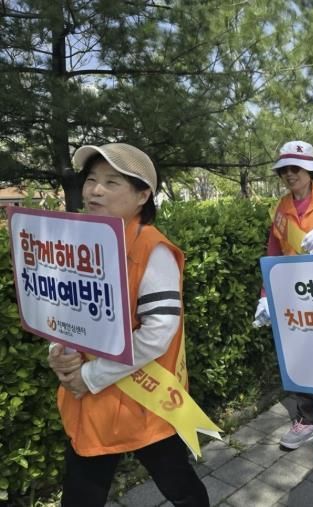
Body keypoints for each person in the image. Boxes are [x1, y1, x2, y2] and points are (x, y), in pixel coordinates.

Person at [47, 143, 209, 506]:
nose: (95, 190)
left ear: (142, 195)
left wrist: (91, 376)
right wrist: (59, 351)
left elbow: (158, 332)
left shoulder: (153, 249)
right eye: (91, 179)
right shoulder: (79, 242)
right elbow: (61, 306)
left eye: (111, 182)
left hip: (144, 400)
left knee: (179, 487)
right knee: (81, 494)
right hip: (92, 403)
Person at [252, 140, 313, 450]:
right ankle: (307, 419)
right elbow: (274, 252)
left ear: (310, 170)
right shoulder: (280, 208)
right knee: (300, 356)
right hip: (296, 294)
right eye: (284, 170)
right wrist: (266, 294)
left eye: (295, 168)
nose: (289, 174)